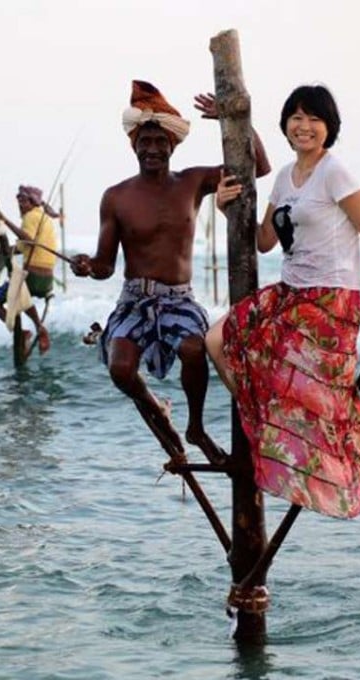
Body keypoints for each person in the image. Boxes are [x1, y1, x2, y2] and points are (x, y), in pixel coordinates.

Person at [206, 84, 360, 519]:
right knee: (216, 340)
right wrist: (224, 207)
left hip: (330, 296)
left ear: (329, 127)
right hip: (289, 292)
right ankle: (266, 427)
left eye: (314, 118)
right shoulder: (283, 177)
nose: (304, 126)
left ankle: (299, 456)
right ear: (286, 125)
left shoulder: (336, 173)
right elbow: (264, 242)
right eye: (296, 117)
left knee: (295, 382)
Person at [70, 80, 270, 466]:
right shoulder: (116, 196)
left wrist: (232, 120)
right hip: (134, 299)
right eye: (144, 142)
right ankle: (156, 409)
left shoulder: (192, 182)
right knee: (120, 369)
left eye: (160, 142)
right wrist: (87, 266)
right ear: (134, 146)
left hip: (178, 298)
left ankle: (196, 428)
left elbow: (257, 167)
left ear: (172, 146)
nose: (152, 149)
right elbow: (104, 265)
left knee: (193, 348)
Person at [0, 183, 59, 355]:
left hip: (32, 276)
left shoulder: (30, 217)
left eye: (24, 201)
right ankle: (38, 328)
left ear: (33, 202)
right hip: (46, 281)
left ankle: (26, 331)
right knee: (21, 294)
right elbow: (21, 247)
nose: (20, 204)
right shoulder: (43, 218)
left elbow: (29, 240)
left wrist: (4, 220)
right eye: (18, 201)